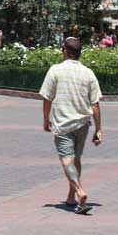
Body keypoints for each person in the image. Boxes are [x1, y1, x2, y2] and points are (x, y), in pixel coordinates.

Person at [39, 36, 102, 215]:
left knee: (67, 160)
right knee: (76, 159)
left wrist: (46, 118)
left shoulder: (55, 70)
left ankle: (80, 191)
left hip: (63, 124)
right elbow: (95, 104)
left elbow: (47, 97)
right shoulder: (88, 73)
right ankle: (71, 196)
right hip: (83, 123)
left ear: (64, 51)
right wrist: (98, 130)